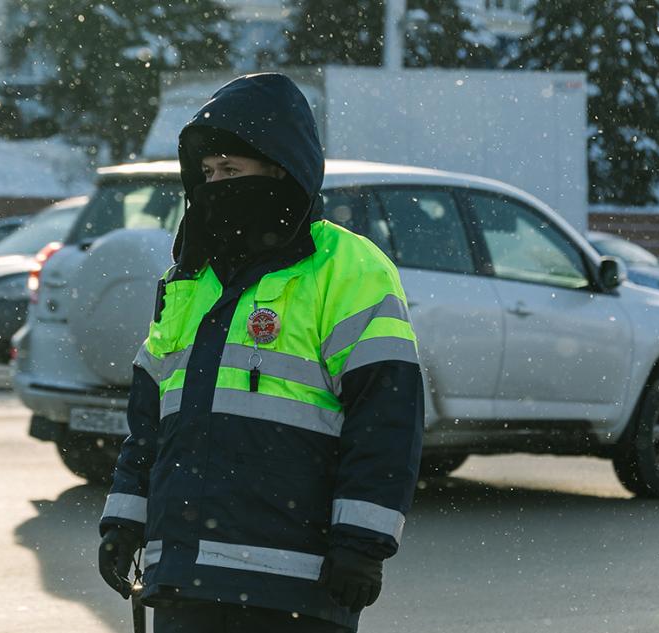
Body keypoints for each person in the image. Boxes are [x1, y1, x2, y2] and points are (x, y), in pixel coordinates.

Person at [97, 72, 424, 633]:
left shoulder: (349, 268)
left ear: (280, 169)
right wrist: (124, 521)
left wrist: (363, 545)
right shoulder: (190, 279)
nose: (216, 186)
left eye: (232, 171)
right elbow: (150, 423)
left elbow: (386, 419)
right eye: (208, 173)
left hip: (297, 584)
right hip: (186, 577)